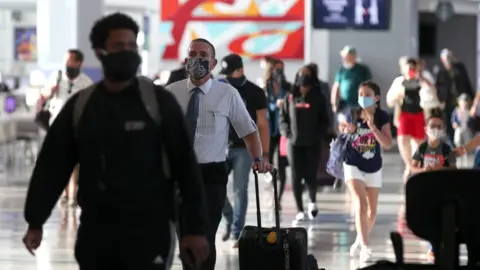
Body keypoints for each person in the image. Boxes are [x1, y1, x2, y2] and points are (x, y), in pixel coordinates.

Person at [22, 13, 209, 270]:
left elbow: (186, 165)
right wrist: (36, 220)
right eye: (119, 46)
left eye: (132, 46)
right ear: (100, 53)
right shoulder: (82, 107)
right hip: (97, 232)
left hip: (150, 230)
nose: (127, 52)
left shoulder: (159, 103)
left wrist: (196, 228)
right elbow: (52, 165)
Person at [165, 38, 271, 270]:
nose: (198, 59)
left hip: (211, 174)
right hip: (178, 175)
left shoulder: (227, 94)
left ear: (213, 64)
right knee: (185, 237)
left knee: (205, 234)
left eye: (203, 56)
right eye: (193, 54)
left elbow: (249, 131)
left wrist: (258, 159)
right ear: (186, 60)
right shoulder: (170, 93)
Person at [217, 54, 270, 247]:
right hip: (219, 147)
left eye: (231, 73)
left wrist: (263, 153)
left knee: (240, 190)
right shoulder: (219, 89)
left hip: (243, 148)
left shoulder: (255, 92)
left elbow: (262, 123)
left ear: (240, 70)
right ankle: (229, 217)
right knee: (215, 187)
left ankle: (236, 232)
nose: (227, 78)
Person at [339, 80, 392, 262]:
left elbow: (387, 143)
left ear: (376, 98)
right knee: (360, 204)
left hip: (373, 166)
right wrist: (348, 130)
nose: (363, 98)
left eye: (367, 95)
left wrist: (373, 128)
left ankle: (359, 240)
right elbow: (342, 132)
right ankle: (366, 248)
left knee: (372, 213)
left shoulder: (382, 116)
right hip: (352, 164)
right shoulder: (352, 114)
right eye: (361, 94)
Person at [40, 49, 93, 207]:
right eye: (65, 60)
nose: (66, 64)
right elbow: (43, 96)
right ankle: (65, 193)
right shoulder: (56, 78)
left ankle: (72, 195)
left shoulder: (86, 83)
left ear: (78, 63)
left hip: (76, 127)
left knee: (74, 162)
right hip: (57, 126)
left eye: (69, 61)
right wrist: (49, 91)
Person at [279, 65, 330, 223]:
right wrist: (287, 132)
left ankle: (312, 201)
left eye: (307, 75)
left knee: (311, 174)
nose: (304, 78)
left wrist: (319, 135)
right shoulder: (290, 97)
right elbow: (283, 118)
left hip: (312, 142)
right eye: (301, 74)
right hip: (294, 143)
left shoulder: (319, 97)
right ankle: (299, 209)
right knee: (295, 174)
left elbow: (325, 120)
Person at [410, 110, 457, 262]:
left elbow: (454, 169)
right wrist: (424, 169)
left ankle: (437, 247)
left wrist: (440, 169)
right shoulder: (422, 148)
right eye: (432, 126)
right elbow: (412, 167)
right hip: (426, 190)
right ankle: (433, 246)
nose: (436, 129)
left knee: (442, 218)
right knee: (429, 218)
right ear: (426, 129)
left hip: (443, 190)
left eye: (439, 126)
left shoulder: (447, 149)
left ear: (443, 130)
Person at [386, 58, 433, 182]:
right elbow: (390, 100)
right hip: (404, 114)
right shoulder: (399, 81)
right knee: (403, 140)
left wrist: (423, 81)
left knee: (419, 143)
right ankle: (409, 165)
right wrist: (398, 96)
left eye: (413, 67)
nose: (410, 70)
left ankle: (415, 166)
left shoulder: (423, 79)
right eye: (408, 68)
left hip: (420, 113)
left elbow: (432, 95)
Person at [435, 49, 475, 143]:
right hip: (447, 101)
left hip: (461, 100)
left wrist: (471, 98)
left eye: (449, 57)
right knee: (449, 122)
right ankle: (451, 143)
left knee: (463, 121)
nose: (448, 60)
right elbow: (437, 87)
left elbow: (467, 82)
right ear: (442, 60)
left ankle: (465, 142)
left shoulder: (460, 68)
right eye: (446, 58)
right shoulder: (440, 72)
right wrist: (440, 101)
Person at [265, 58, 289, 202]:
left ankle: (278, 198)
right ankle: (272, 187)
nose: (278, 72)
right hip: (269, 130)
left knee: (281, 165)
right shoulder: (265, 87)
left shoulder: (286, 87)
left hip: (282, 132)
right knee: (268, 162)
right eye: (276, 69)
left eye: (281, 69)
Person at [330, 46, 371, 115]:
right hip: (344, 105)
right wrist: (334, 103)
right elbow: (336, 87)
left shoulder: (362, 70)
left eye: (346, 56)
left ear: (352, 56)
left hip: (359, 105)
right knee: (345, 124)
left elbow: (369, 87)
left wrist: (367, 104)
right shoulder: (341, 70)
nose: (344, 59)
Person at [451, 93, 473, 167]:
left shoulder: (469, 110)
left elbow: (471, 121)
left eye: (465, 101)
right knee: (457, 141)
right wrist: (454, 123)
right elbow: (453, 119)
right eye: (462, 101)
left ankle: (466, 155)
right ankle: (459, 154)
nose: (464, 102)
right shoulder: (456, 110)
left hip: (466, 129)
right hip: (459, 129)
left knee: (467, 142)